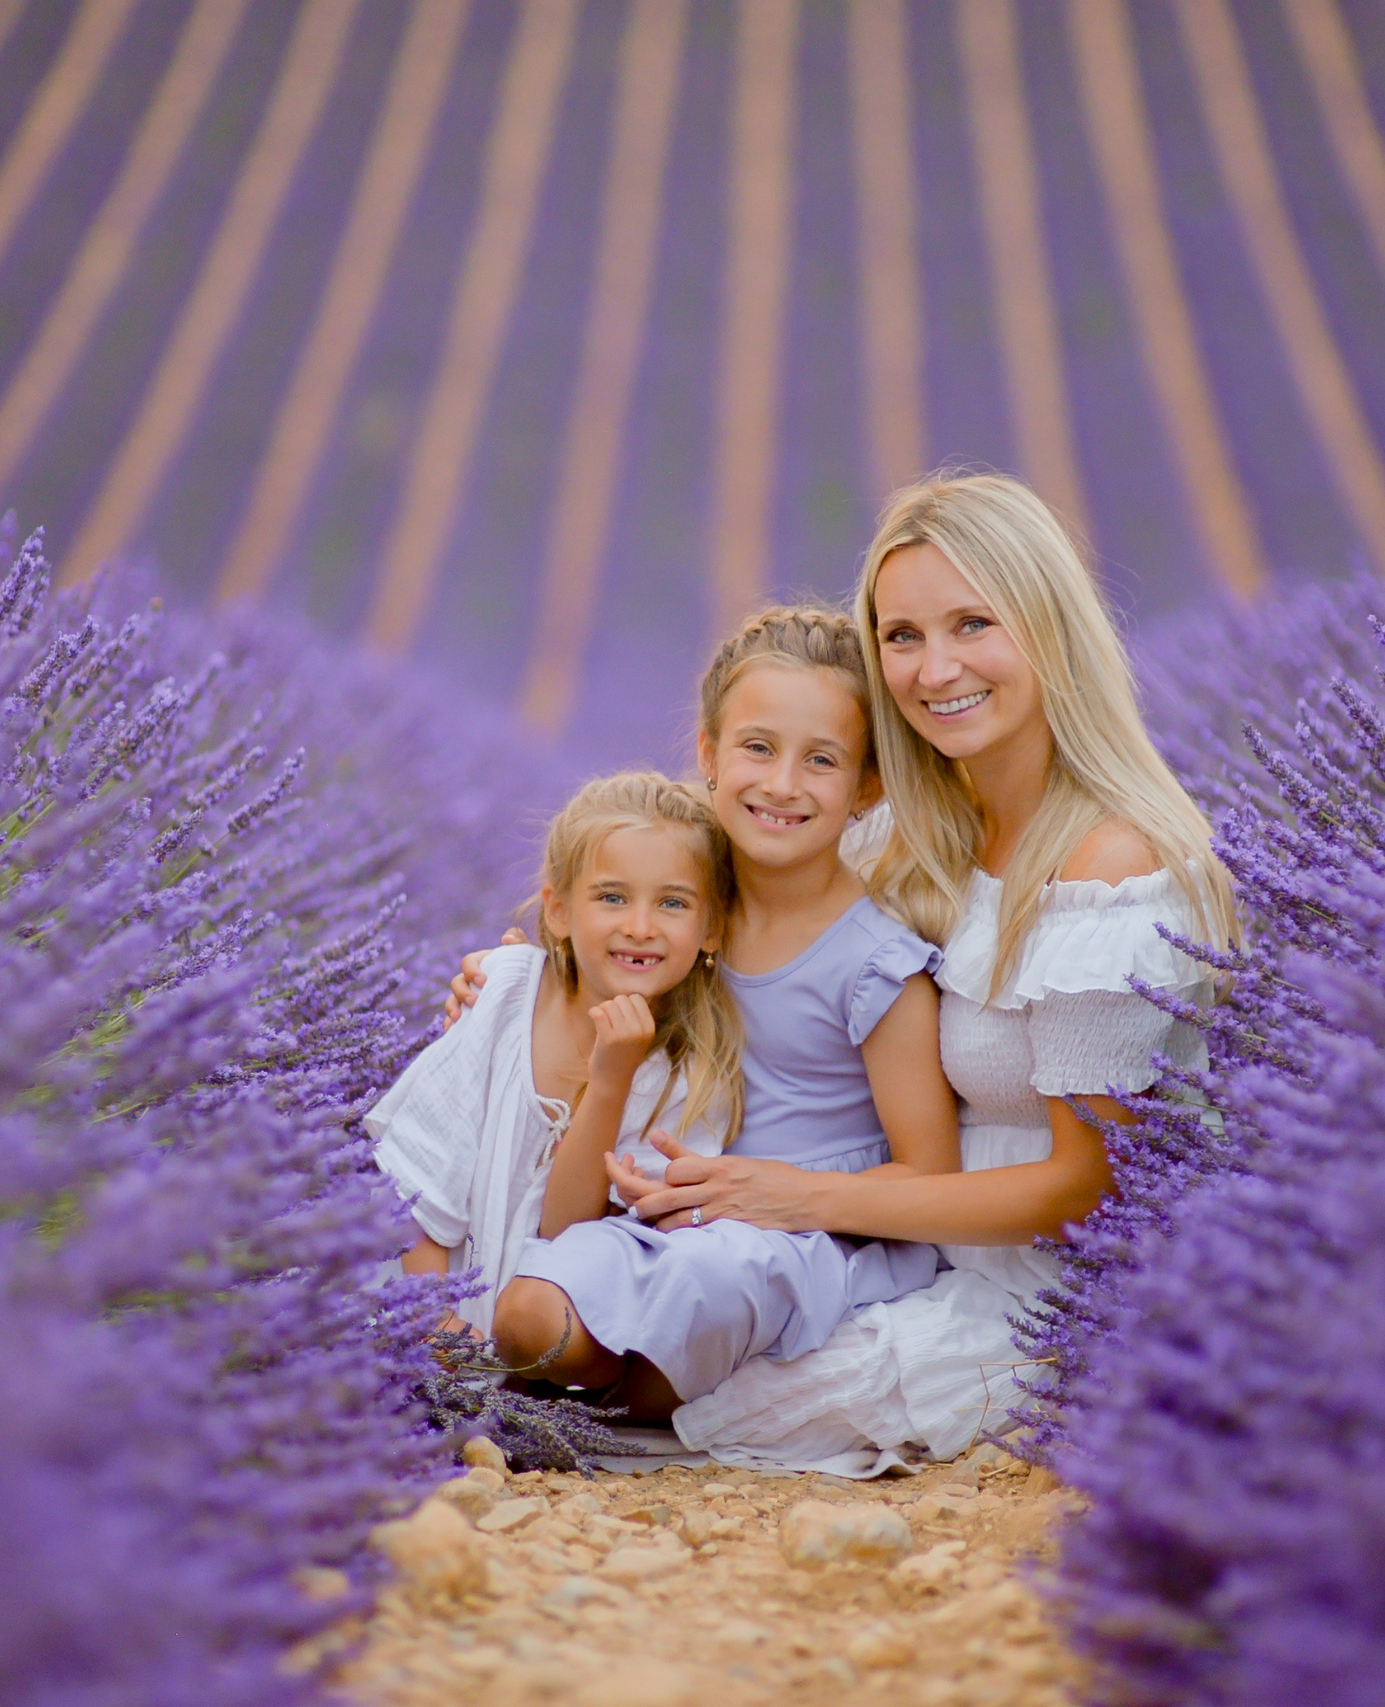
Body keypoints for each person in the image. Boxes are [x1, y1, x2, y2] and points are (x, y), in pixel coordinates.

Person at [622, 472, 1241, 1472]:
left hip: (1050, 1299)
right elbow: (719, 914)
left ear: (1047, 628)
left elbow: (1089, 1189)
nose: (932, 667)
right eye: (902, 636)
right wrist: (539, 967)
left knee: (672, 1394)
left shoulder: (1105, 867)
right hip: (909, 1255)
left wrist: (801, 1199)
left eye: (971, 625)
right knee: (632, 1319)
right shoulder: (918, 842)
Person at [453, 609, 960, 1420]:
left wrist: (784, 1193)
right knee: (525, 1314)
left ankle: (610, 1395)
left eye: (821, 760)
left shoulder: (875, 964)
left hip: (807, 1235)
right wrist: (506, 978)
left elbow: (932, 1177)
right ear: (709, 755)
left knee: (676, 1325)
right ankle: (576, 1380)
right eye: (757, 747)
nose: (782, 784)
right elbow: (584, 948)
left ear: (867, 786)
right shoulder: (682, 898)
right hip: (666, 1210)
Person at [365, 771, 738, 1341]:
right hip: (411, 1292)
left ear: (711, 928)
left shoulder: (689, 1080)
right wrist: (433, 1318)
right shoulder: (508, 991)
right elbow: (424, 1164)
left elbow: (569, 1241)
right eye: (611, 897)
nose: (640, 927)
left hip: (523, 1354)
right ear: (559, 911)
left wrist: (610, 1082)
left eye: (672, 903)